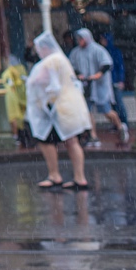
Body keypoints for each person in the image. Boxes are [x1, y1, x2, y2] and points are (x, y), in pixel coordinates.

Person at [27, 33, 91, 190]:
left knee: (46, 141)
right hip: (73, 105)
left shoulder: (51, 61)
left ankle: (54, 175)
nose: (38, 53)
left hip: (60, 109)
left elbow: (42, 82)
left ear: (45, 48)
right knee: (72, 141)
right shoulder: (62, 59)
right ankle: (79, 178)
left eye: (39, 49)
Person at [69, 28, 127, 147]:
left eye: (81, 38)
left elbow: (106, 64)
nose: (79, 41)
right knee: (87, 111)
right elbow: (72, 66)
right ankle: (93, 135)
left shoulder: (98, 50)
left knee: (106, 111)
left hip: (99, 85)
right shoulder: (76, 52)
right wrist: (79, 74)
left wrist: (97, 75)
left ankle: (120, 126)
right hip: (85, 86)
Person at [99, 33, 130, 143]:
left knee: (119, 102)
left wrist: (120, 80)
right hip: (107, 82)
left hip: (115, 81)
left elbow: (120, 66)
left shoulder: (114, 51)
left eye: (103, 39)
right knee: (112, 104)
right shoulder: (103, 51)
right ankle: (117, 124)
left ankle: (124, 122)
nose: (101, 41)